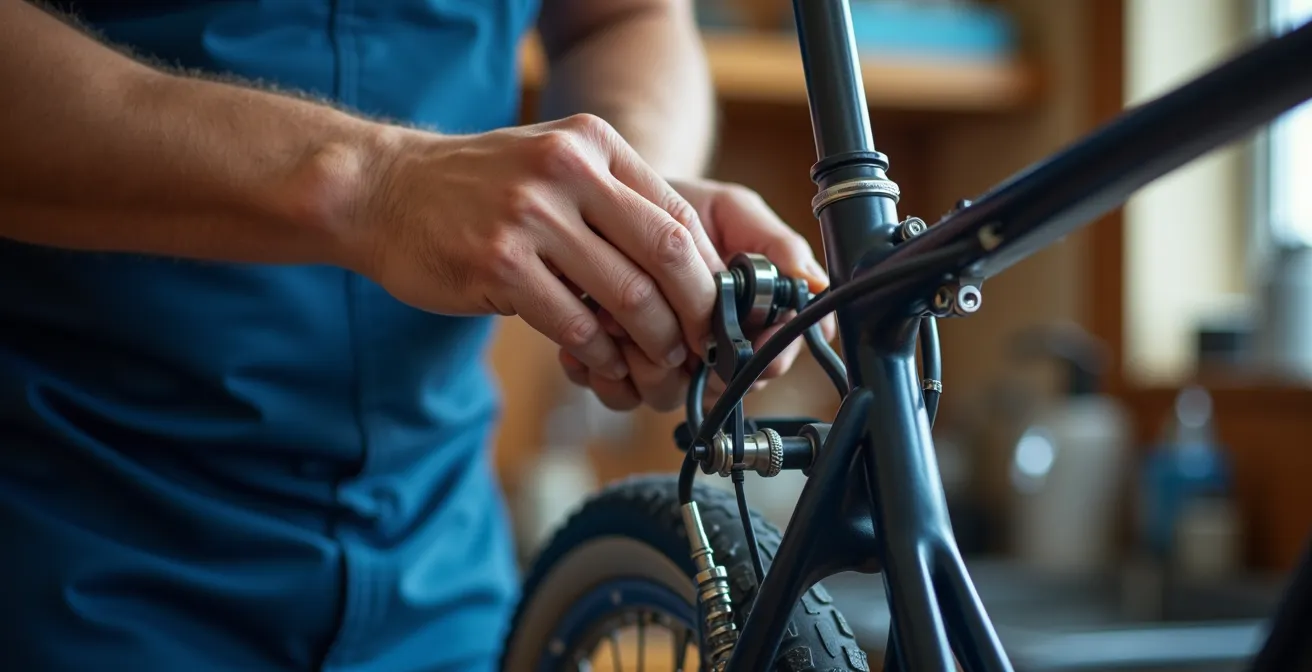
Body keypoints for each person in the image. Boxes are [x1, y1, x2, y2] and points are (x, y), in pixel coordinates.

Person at [0, 0, 833, 669]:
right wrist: (373, 184)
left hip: (439, 568)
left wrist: (628, 201)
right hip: (74, 545)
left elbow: (626, 17)